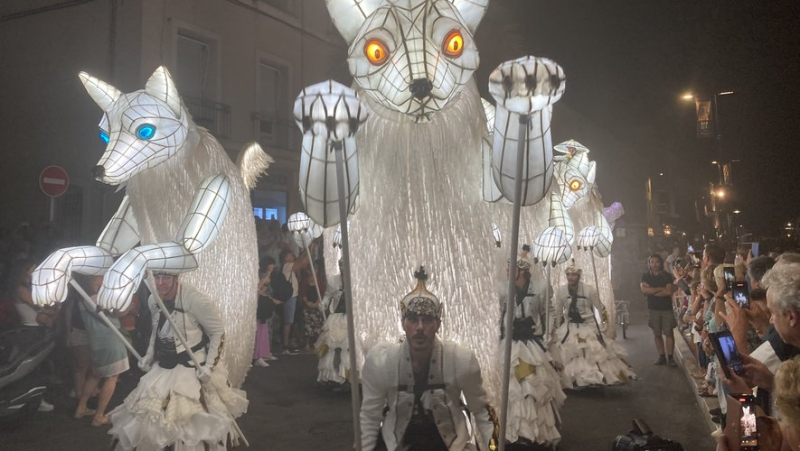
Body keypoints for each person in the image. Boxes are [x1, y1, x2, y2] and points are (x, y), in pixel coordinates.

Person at [359, 267, 498, 451]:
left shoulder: (460, 361)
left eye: (427, 320)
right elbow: (370, 415)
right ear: (403, 324)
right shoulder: (382, 362)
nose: (420, 327)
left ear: (438, 325)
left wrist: (494, 448)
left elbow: (481, 411)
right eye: (413, 320)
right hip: (396, 443)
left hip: (449, 444)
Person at [108, 273, 248, 450]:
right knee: (151, 415)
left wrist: (209, 367)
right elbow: (156, 330)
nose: (160, 283)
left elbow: (217, 332)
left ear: (176, 277)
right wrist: (149, 355)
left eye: (165, 277)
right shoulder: (153, 299)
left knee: (191, 418)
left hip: (192, 367)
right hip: (164, 366)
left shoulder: (195, 300)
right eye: (156, 277)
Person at [500, 259, 565, 447]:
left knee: (533, 385)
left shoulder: (540, 289)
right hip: (511, 345)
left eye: (510, 268)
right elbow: (500, 315)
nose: (507, 271)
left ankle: (536, 430)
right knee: (512, 386)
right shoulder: (505, 290)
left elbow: (549, 312)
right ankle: (513, 430)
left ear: (521, 271)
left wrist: (547, 334)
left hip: (532, 344)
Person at [556, 260, 635, 386]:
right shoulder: (561, 291)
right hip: (569, 327)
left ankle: (595, 378)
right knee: (570, 353)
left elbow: (601, 308)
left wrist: (603, 324)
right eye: (568, 275)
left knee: (593, 352)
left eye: (574, 275)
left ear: (579, 276)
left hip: (587, 325)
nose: (571, 277)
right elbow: (558, 311)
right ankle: (575, 380)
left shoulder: (589, 290)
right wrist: (556, 327)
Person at [73, 274, 130, 427]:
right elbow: (121, 312)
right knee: (112, 377)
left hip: (96, 342)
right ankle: (99, 415)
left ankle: (81, 407)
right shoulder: (96, 299)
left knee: (95, 375)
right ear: (90, 280)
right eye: (99, 277)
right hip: (110, 341)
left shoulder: (82, 299)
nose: (103, 280)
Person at [315, 263, 351, 388]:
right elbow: (327, 296)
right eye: (340, 266)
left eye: (344, 265)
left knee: (348, 347)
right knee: (331, 346)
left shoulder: (356, 279)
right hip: (335, 318)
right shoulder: (333, 281)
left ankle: (348, 377)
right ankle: (333, 377)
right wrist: (323, 304)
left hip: (351, 319)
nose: (342, 268)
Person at [641, 253, 677, 366]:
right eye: (652, 262)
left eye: (656, 262)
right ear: (649, 263)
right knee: (657, 334)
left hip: (666, 308)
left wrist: (652, 290)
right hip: (653, 308)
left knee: (669, 333)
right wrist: (661, 289)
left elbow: (669, 292)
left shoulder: (666, 276)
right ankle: (662, 356)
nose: (654, 264)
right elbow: (644, 291)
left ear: (660, 262)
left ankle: (670, 357)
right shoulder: (645, 276)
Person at [278, 247, 311, 354]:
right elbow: (302, 263)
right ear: (285, 257)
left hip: (293, 296)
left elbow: (300, 260)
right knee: (288, 321)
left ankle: (288, 343)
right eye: (290, 255)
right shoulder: (287, 266)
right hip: (290, 297)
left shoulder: (289, 266)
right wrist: (309, 250)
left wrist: (307, 250)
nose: (293, 257)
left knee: (291, 320)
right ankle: (285, 346)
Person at [254, 257, 277, 367]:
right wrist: (266, 277)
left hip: (264, 305)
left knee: (264, 329)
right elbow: (258, 287)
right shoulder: (259, 274)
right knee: (258, 331)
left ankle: (262, 353)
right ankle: (257, 355)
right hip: (257, 305)